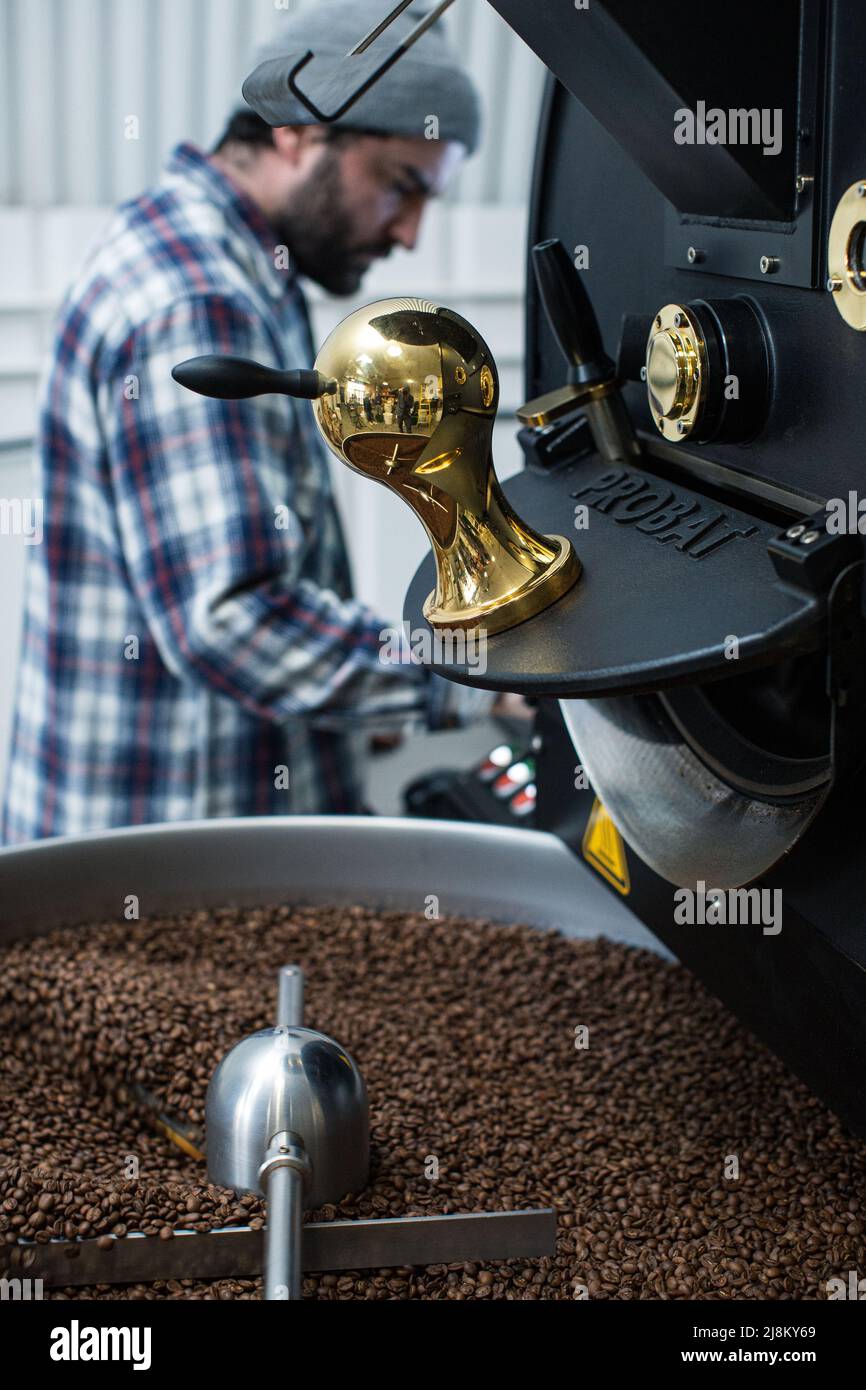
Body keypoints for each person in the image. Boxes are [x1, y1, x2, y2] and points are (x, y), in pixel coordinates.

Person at [1, 0, 498, 845]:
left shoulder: (224, 259)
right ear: (300, 131)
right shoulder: (200, 298)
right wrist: (477, 676)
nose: (411, 234)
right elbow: (233, 618)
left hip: (184, 815)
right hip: (168, 863)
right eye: (400, 186)